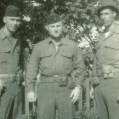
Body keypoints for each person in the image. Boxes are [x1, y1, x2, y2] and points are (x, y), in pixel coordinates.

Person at [26, 13, 86, 119]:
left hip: (67, 89)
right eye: (52, 26)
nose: (56, 29)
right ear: (47, 28)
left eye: (58, 26)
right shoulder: (39, 47)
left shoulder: (72, 45)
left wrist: (78, 87)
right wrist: (30, 89)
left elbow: (81, 67)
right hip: (45, 89)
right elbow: (32, 69)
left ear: (63, 26)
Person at [90, 0, 119, 119]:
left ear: (114, 14)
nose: (103, 17)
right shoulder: (100, 35)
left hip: (115, 83)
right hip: (99, 83)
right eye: (101, 14)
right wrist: (93, 85)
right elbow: (97, 60)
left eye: (106, 14)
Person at [0, 5, 23, 119]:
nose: (15, 23)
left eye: (18, 20)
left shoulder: (17, 41)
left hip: (16, 88)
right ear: (5, 19)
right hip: (2, 89)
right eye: (12, 19)